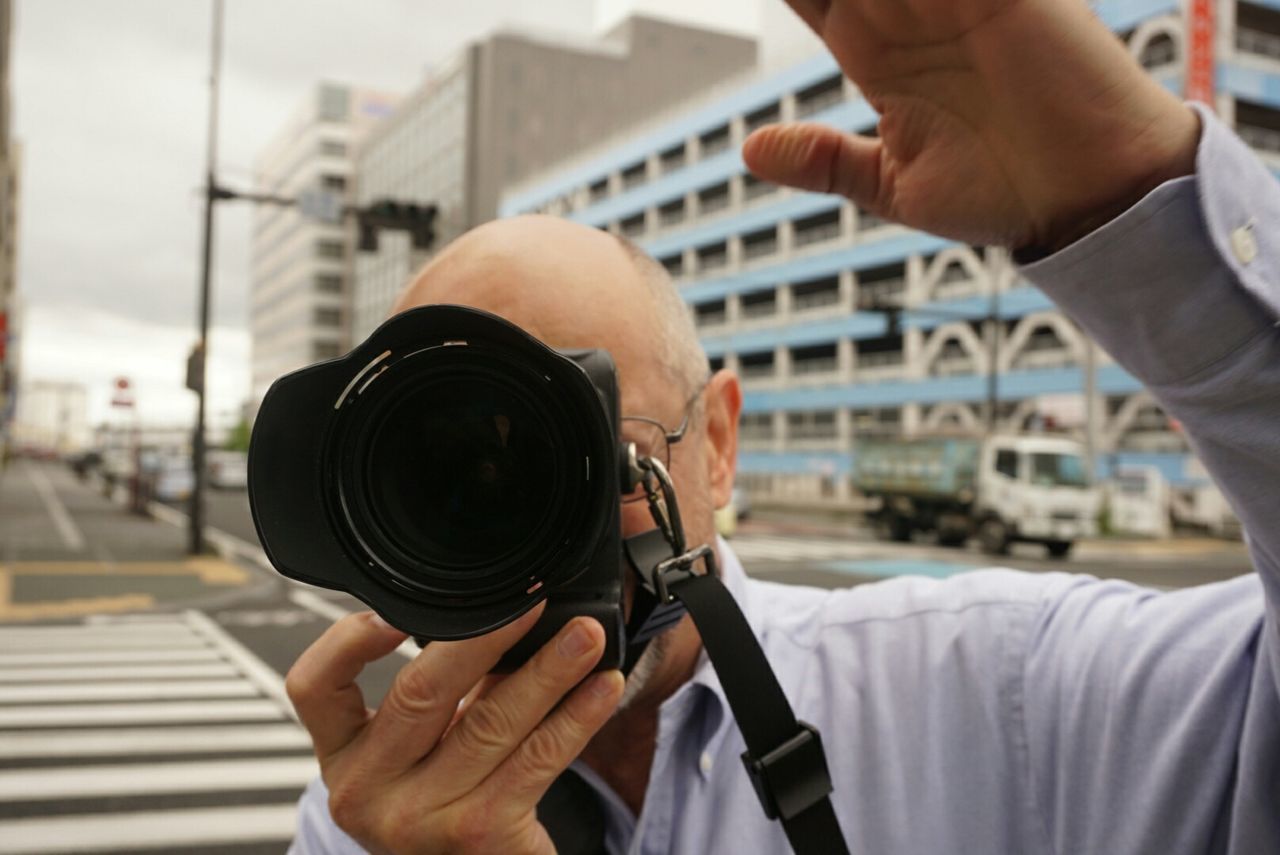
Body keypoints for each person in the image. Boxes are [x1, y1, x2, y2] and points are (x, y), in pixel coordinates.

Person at [286, 0, 1280, 851]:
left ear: (714, 444)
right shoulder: (372, 815)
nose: (537, 536)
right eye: (451, 475)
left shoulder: (999, 695)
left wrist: (1131, 198)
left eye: (600, 459)